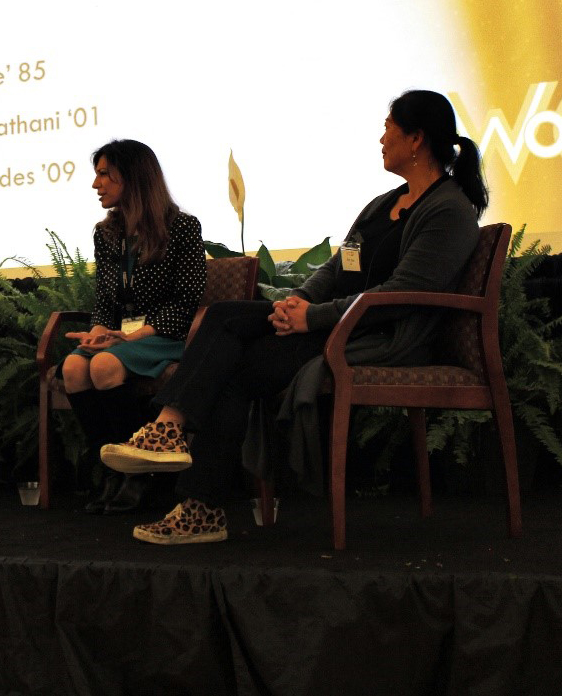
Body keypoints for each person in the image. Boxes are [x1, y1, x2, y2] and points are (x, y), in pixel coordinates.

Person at [101, 89, 489, 544]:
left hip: (379, 333)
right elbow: (338, 265)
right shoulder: (384, 203)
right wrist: (296, 303)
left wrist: (313, 317)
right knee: (228, 333)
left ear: (417, 138)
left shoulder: (448, 210)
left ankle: (183, 464)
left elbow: (403, 295)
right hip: (331, 322)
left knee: (231, 350)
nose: (381, 138)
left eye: (388, 126)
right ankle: (188, 480)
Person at [62, 139, 206, 514]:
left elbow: (186, 302)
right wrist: (98, 331)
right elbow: (105, 301)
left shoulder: (183, 227)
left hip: (165, 335)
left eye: (104, 174)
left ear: (133, 177)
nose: (96, 185)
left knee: (104, 365)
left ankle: (140, 475)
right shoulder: (106, 232)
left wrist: (129, 337)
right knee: (75, 367)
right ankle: (110, 469)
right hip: (121, 337)